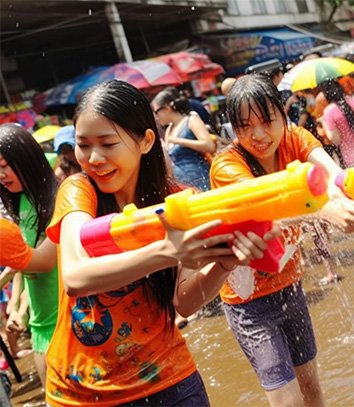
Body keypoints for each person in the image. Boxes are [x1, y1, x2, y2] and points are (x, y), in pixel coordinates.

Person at [43, 79, 280, 407]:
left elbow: (183, 302)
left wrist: (225, 262)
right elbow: (76, 277)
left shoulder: (179, 200)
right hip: (83, 394)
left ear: (145, 141)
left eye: (108, 144)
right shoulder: (78, 190)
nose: (93, 158)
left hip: (170, 380)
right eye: (84, 145)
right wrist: (166, 251)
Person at [210, 74, 354, 407]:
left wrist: (339, 199)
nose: (258, 134)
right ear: (232, 129)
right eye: (244, 126)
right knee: (288, 401)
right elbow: (268, 208)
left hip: (291, 285)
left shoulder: (294, 137)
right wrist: (325, 212)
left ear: (282, 114)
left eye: (267, 120)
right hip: (249, 302)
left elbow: (329, 172)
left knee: (312, 388)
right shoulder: (227, 166)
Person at [0, 123, 60, 395]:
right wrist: (16, 307)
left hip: (67, 316)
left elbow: (44, 260)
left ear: (26, 160)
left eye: (4, 166)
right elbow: (27, 261)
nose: (0, 175)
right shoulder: (21, 200)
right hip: (40, 322)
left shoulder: (60, 197)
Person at [152, 86, 216, 191]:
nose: (156, 117)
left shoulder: (191, 120)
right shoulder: (169, 129)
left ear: (167, 108)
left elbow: (209, 145)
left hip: (201, 179)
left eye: (157, 112)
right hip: (183, 186)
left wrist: (179, 141)